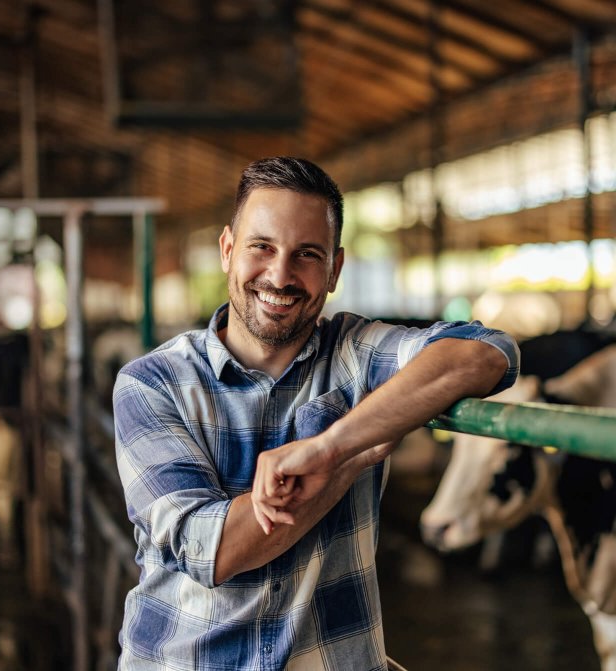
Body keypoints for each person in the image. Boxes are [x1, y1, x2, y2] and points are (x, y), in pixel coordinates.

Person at [113, 156, 519, 670]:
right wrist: (349, 464)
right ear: (227, 250)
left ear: (335, 269)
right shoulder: (153, 382)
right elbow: (212, 552)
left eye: (307, 254)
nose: (280, 275)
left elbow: (488, 352)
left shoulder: (355, 351)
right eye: (262, 247)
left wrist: (329, 446)